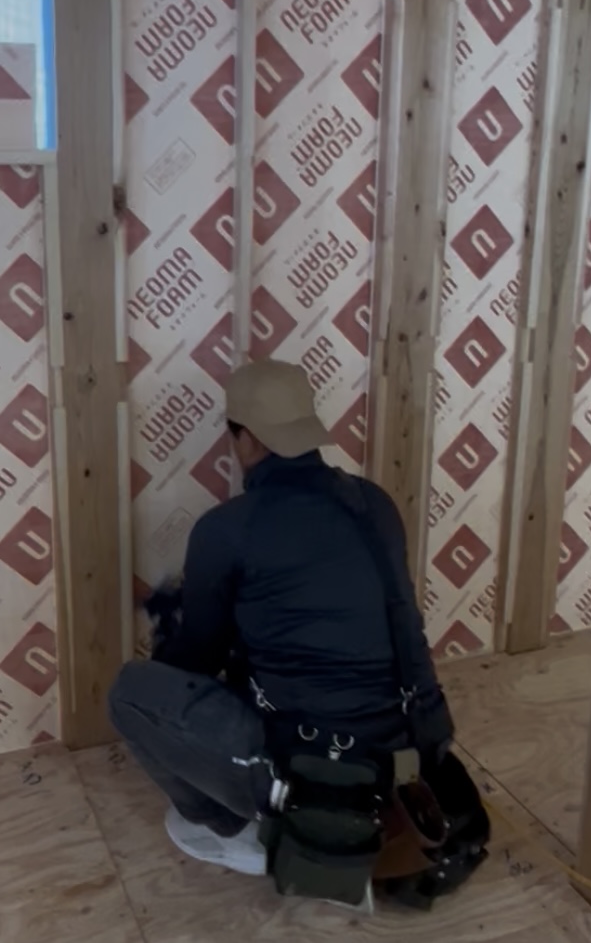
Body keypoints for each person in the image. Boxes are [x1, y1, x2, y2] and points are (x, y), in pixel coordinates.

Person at [107, 358, 457, 881]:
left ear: (246, 438)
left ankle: (235, 831)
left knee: (131, 692)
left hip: (317, 767)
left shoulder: (228, 528)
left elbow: (193, 661)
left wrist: (168, 619)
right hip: (417, 745)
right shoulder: (374, 503)